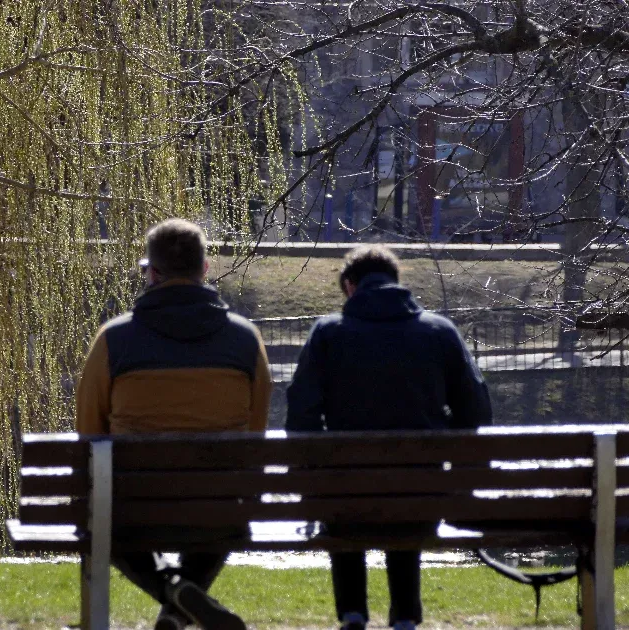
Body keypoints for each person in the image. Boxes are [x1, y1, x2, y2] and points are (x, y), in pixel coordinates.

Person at [76, 218, 272, 630]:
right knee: (223, 506)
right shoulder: (245, 340)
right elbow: (254, 436)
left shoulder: (113, 340)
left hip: (135, 507)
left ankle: (172, 594)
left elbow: (89, 435)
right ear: (204, 271)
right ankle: (180, 602)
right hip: (219, 507)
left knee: (103, 518)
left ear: (152, 273)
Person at [285, 244, 492, 630]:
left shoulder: (328, 334)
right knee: (409, 495)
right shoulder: (439, 331)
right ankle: (405, 618)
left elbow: (301, 413)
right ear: (397, 283)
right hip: (422, 498)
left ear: (350, 286)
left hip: (344, 501)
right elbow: (476, 409)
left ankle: (352, 613)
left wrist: (313, 475)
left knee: (344, 493)